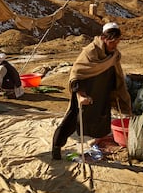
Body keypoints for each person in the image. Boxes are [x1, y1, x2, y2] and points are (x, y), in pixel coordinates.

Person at [51, 22, 132, 160]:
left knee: (100, 117)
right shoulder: (90, 52)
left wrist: (117, 91)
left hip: (102, 90)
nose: (115, 45)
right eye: (113, 42)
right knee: (73, 118)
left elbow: (116, 73)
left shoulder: (114, 54)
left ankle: (94, 143)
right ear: (105, 39)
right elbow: (77, 73)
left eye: (117, 42)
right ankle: (56, 146)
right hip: (86, 90)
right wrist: (80, 94)